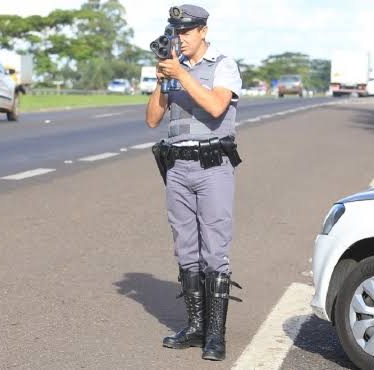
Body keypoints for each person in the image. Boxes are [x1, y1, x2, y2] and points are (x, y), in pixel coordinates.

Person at [144, 4, 242, 362]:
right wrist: (161, 81)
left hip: (213, 165)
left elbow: (216, 108)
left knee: (214, 249)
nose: (179, 39)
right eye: (175, 32)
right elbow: (153, 120)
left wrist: (183, 77)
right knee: (185, 248)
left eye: (185, 32)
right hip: (178, 168)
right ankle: (196, 326)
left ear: (202, 30)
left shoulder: (223, 65)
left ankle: (216, 335)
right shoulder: (173, 68)